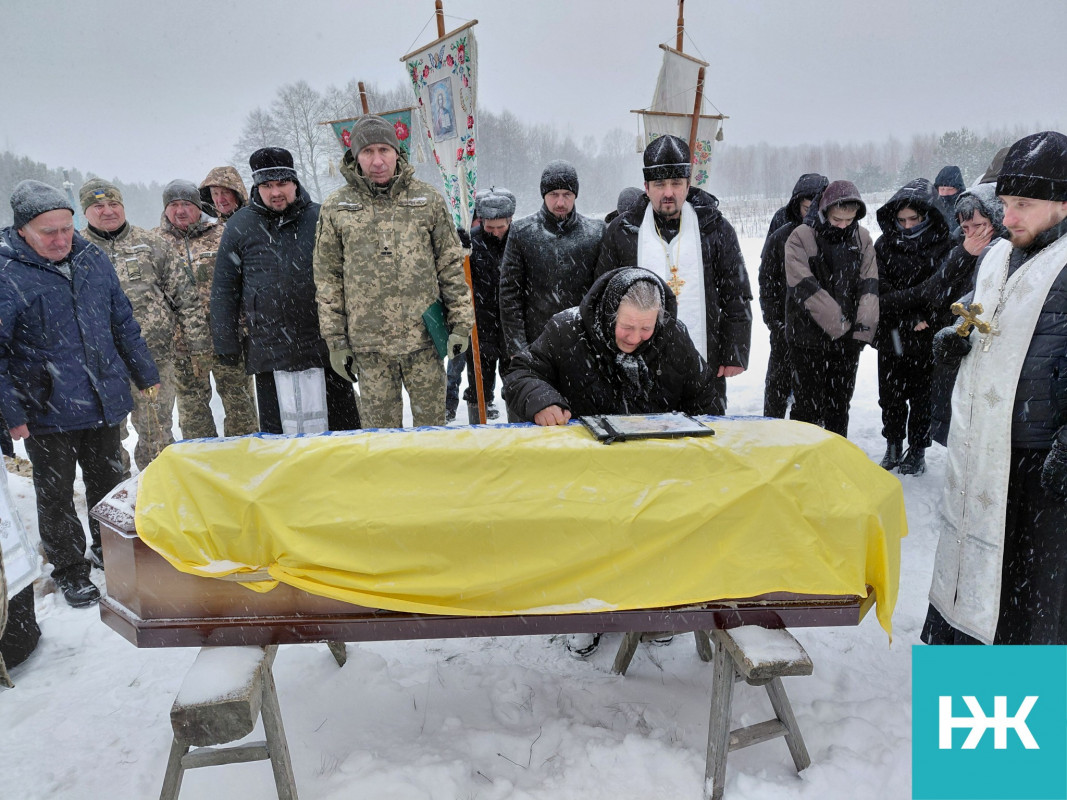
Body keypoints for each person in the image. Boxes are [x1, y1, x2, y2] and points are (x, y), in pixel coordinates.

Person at [923, 130, 1067, 646]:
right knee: (977, 581)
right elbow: (981, 318)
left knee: (1030, 605)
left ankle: (1018, 716)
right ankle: (971, 706)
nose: (1008, 218)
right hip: (986, 451)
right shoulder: (999, 256)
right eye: (1005, 203)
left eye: (1024, 205)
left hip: (1040, 460)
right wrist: (953, 342)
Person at [0, 180, 159, 607]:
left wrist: (144, 371)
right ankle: (70, 568)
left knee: (110, 482)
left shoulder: (91, 258)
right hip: (45, 407)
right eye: (47, 232)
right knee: (54, 494)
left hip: (102, 395)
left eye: (66, 229)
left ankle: (114, 553)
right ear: (22, 232)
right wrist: (10, 411)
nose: (60, 239)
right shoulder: (7, 273)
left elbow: (121, 319)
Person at [314, 114, 474, 428]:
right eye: (367, 152)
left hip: (424, 341)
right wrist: (336, 341)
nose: (377, 161)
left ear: (396, 152)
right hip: (370, 346)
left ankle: (433, 479)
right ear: (355, 157)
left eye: (384, 150)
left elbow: (450, 266)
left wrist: (460, 323)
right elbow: (328, 278)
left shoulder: (426, 200)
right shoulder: (336, 207)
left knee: (432, 432)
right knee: (382, 438)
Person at [596, 135, 752, 415]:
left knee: (704, 441)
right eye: (659, 184)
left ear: (688, 185)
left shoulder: (714, 228)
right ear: (646, 187)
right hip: (636, 363)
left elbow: (735, 292)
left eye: (676, 183)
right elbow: (604, 298)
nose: (668, 193)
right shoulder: (623, 231)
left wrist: (734, 350)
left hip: (707, 356)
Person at [212, 148, 360, 434]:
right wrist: (225, 342)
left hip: (323, 342)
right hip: (269, 346)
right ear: (257, 186)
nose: (275, 192)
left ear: (295, 182)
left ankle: (343, 477)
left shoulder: (321, 217)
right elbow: (224, 288)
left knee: (340, 428)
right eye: (267, 186)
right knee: (278, 432)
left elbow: (349, 277)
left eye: (281, 183)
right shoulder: (240, 225)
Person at [79, 179, 210, 471]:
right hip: (100, 365)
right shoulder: (77, 250)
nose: (108, 211)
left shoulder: (152, 243)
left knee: (157, 431)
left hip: (154, 360)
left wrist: (198, 345)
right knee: (108, 436)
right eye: (98, 206)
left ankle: (158, 485)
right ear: (85, 211)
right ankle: (118, 489)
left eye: (114, 204)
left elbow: (185, 298)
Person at [504, 267, 718, 424]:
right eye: (626, 326)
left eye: (646, 329)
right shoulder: (566, 330)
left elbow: (704, 398)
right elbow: (521, 373)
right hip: (585, 461)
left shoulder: (673, 335)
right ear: (609, 314)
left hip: (657, 463)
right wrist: (542, 401)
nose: (634, 338)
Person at [155, 179, 258, 439]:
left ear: (199, 207)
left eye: (187, 204)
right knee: (193, 412)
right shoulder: (154, 244)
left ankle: (245, 458)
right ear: (165, 209)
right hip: (182, 345)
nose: (180, 211)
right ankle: (203, 463)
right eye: (174, 205)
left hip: (227, 338)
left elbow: (245, 281)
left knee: (240, 406)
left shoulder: (222, 234)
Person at [784, 180, 878, 437]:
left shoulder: (862, 238)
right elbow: (804, 286)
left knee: (839, 408)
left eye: (849, 220)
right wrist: (841, 326)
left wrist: (862, 330)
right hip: (807, 339)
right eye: (837, 219)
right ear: (825, 211)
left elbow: (869, 287)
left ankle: (835, 462)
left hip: (848, 343)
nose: (843, 225)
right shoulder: (801, 237)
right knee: (807, 408)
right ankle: (802, 460)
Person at [498, 160, 605, 385]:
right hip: (535, 344)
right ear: (543, 194)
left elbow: (601, 294)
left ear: (575, 195)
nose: (560, 202)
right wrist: (518, 348)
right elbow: (510, 295)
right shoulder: (522, 232)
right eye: (554, 194)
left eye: (567, 194)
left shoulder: (595, 233)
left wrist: (597, 344)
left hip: (581, 346)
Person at [873, 179, 952, 474]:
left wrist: (922, 312)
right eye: (901, 219)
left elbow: (943, 290)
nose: (906, 226)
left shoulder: (944, 244)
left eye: (913, 219)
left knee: (922, 398)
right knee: (890, 396)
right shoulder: (884, 245)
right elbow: (880, 290)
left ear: (927, 216)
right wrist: (907, 315)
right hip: (892, 332)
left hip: (926, 334)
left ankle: (917, 450)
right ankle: (893, 444)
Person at [920, 183, 1008, 446]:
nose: (972, 235)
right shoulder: (959, 247)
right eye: (966, 228)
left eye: (979, 226)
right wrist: (963, 254)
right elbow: (934, 293)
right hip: (958, 353)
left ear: (997, 220)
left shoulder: (1011, 251)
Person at [758, 173, 829, 417]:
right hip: (785, 329)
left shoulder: (832, 240)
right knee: (778, 387)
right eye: (806, 207)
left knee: (813, 394)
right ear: (797, 205)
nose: (810, 214)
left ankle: (810, 440)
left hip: (819, 333)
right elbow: (766, 281)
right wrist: (775, 322)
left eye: (816, 208)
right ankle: (772, 435)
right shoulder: (781, 237)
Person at [457, 188, 516, 422]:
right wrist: (456, 249)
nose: (495, 232)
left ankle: (519, 428)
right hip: (480, 326)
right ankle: (478, 426)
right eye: (489, 227)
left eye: (500, 227)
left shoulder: (519, 239)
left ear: (510, 220)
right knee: (479, 385)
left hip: (511, 326)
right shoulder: (470, 241)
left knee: (516, 383)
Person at [765, 173, 829, 240]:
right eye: (807, 210)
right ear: (797, 205)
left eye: (818, 210)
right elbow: (770, 248)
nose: (812, 215)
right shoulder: (782, 218)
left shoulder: (832, 221)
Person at [932, 165, 966, 238]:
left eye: (950, 189)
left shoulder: (965, 208)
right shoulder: (932, 208)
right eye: (942, 189)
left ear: (958, 190)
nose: (945, 193)